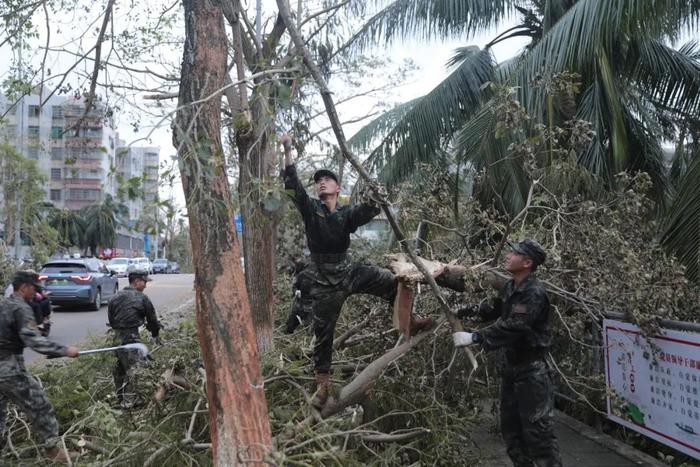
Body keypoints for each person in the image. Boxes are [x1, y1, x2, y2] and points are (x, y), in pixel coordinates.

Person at [281, 133, 433, 407]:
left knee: (394, 283)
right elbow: (291, 186)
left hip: (349, 270)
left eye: (326, 180)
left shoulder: (345, 214)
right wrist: (287, 149)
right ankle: (323, 386)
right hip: (324, 278)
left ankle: (410, 322)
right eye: (318, 181)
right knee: (324, 333)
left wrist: (377, 197)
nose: (321, 183)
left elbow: (366, 211)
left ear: (338, 188)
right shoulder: (310, 208)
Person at [453, 239, 561, 467]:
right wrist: (462, 311)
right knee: (512, 435)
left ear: (527, 262)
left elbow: (515, 325)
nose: (508, 255)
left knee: (539, 437)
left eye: (515, 253)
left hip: (532, 375)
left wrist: (475, 337)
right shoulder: (511, 287)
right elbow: (493, 309)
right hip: (511, 372)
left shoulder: (534, 292)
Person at [0, 270, 80, 461]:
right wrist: (64, 350)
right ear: (24, 287)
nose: (36, 293)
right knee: (40, 405)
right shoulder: (21, 308)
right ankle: (52, 451)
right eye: (34, 289)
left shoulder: (4, 304)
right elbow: (35, 341)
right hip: (8, 369)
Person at [107, 271, 161, 409]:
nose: (146, 285)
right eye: (144, 282)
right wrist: (155, 334)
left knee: (119, 369)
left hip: (117, 338)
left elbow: (112, 320)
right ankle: (129, 403)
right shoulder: (142, 298)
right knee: (134, 369)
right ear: (136, 281)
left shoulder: (114, 297)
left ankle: (121, 398)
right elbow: (152, 320)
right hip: (131, 338)